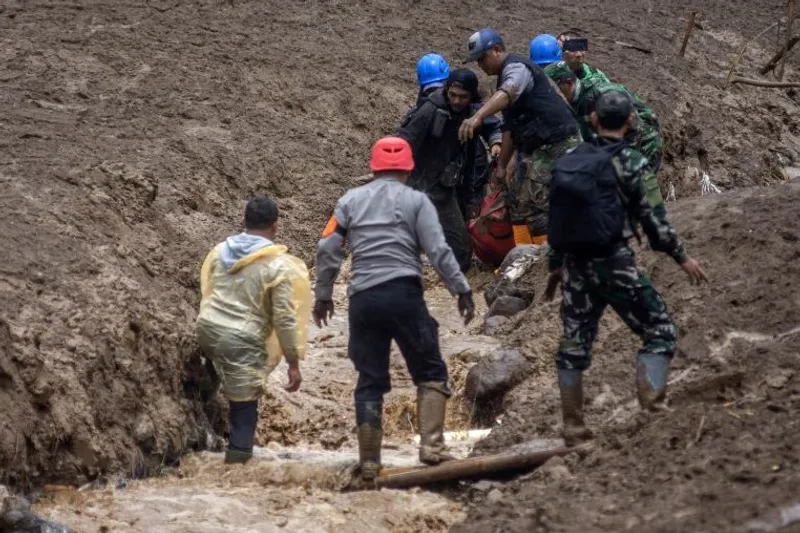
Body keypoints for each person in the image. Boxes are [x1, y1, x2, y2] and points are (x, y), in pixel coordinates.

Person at [544, 91, 708, 447]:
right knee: (660, 329)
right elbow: (655, 222)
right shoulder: (633, 162)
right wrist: (682, 258)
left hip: (574, 267)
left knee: (573, 344)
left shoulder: (570, 159)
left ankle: (573, 428)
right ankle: (653, 410)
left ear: (593, 120)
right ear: (631, 121)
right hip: (614, 262)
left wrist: (555, 267)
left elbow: (556, 216)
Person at [313, 136, 476, 481]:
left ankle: (370, 462)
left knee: (369, 380)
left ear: (373, 168)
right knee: (431, 370)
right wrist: (460, 288)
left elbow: (327, 246)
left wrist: (323, 294)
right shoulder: (417, 201)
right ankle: (432, 449)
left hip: (362, 300)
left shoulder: (349, 200)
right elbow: (438, 250)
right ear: (408, 169)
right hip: (404, 294)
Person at [196, 197, 310, 464]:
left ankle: (203, 437)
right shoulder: (278, 266)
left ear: (244, 220)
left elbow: (208, 287)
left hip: (207, 330)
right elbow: (284, 319)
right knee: (244, 407)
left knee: (216, 378)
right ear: (275, 226)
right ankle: (237, 466)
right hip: (240, 341)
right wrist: (293, 362)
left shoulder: (219, 250)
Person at [459, 28, 581, 246]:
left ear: (497, 50)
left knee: (537, 201)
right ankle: (525, 254)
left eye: (482, 58)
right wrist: (502, 166)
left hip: (558, 142)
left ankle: (547, 256)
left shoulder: (517, 67)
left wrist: (478, 116)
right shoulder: (504, 78)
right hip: (538, 146)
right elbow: (509, 128)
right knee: (519, 201)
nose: (481, 65)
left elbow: (509, 91)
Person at [398, 68, 502, 272]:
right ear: (446, 91)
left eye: (463, 97)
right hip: (418, 184)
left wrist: (496, 142)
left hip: (444, 188)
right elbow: (404, 142)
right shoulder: (430, 110)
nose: (456, 101)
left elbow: (493, 126)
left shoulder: (473, 112)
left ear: (471, 96)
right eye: (453, 95)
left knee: (461, 250)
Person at [545, 62, 666, 218]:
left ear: (568, 83)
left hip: (644, 141)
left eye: (556, 91)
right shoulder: (575, 100)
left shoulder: (603, 96)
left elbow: (634, 130)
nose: (554, 97)